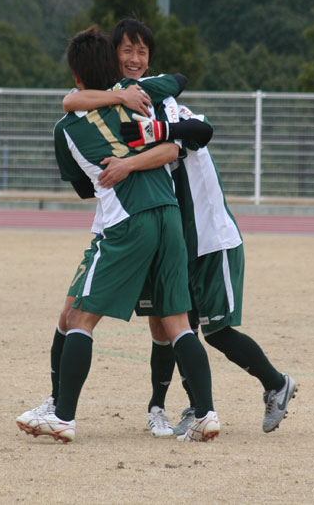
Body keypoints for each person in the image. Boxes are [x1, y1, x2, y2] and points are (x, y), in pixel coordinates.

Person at [67, 18, 297, 436]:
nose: (134, 58)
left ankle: (275, 383)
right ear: (110, 56)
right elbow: (71, 101)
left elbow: (198, 129)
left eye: (142, 51)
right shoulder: (115, 103)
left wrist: (151, 134)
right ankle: (177, 406)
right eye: (126, 51)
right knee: (172, 322)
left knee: (215, 330)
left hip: (209, 233)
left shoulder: (154, 94)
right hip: (175, 232)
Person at [16, 26, 219, 443]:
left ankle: (63, 415)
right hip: (169, 212)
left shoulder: (65, 128)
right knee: (177, 322)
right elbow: (176, 89)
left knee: (78, 318)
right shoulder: (137, 94)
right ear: (112, 66)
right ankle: (205, 414)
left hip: (127, 220)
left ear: (75, 75)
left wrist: (115, 164)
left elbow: (82, 187)